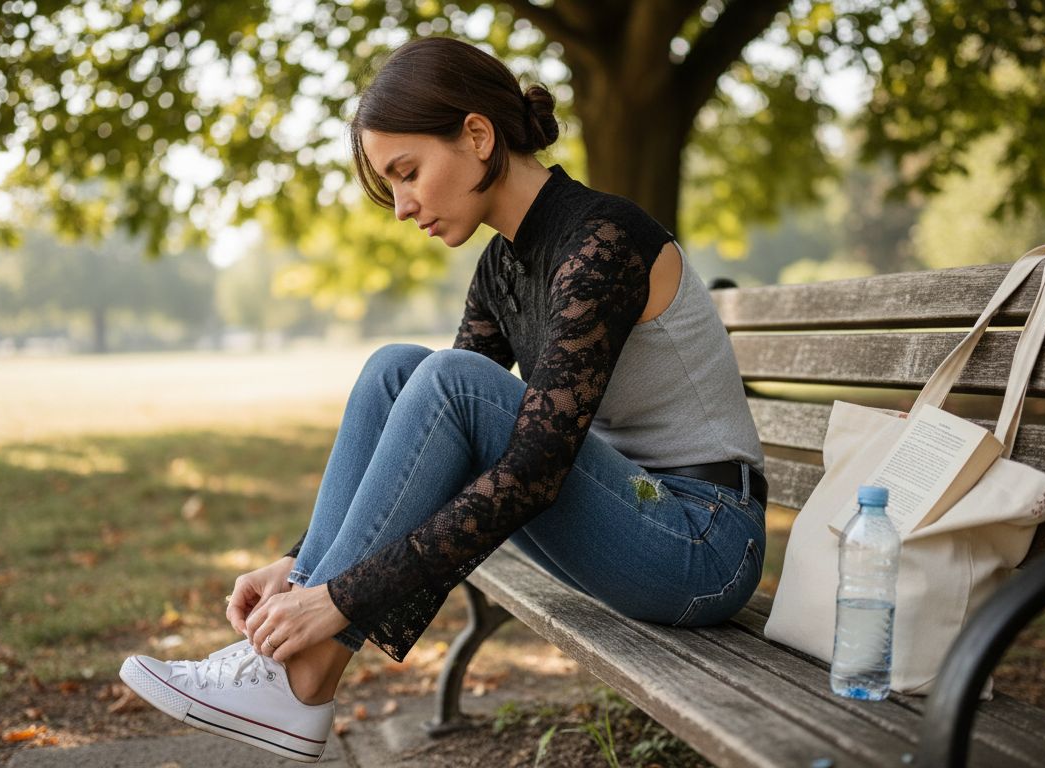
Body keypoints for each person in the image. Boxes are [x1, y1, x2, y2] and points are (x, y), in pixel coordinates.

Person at [119, 36, 767, 763]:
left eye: (408, 173)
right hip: (632, 514)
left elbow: (533, 471)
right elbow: (435, 434)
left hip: (702, 543)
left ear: (478, 135)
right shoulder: (503, 265)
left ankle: (300, 675)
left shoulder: (601, 242)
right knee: (398, 369)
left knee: (447, 379)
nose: (401, 207)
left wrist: (340, 598)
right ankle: (295, 675)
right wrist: (302, 566)